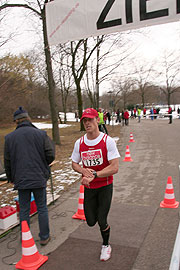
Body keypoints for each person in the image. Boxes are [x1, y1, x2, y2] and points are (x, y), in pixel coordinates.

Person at [71, 108, 120, 261]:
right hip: (89, 188)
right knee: (91, 221)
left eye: (90, 120)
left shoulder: (107, 141)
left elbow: (114, 167)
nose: (87, 123)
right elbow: (74, 163)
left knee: (102, 219)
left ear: (97, 120)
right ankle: (98, 219)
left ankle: (106, 245)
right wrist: (83, 171)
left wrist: (95, 175)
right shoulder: (79, 143)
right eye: (84, 120)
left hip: (105, 186)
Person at [4, 107, 55, 245]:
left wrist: (11, 178)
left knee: (24, 210)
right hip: (39, 176)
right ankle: (44, 237)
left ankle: (25, 237)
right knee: (42, 207)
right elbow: (51, 154)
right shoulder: (41, 134)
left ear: (16, 121)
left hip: (21, 179)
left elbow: (7, 161)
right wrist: (45, 166)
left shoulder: (9, 138)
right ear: (28, 118)